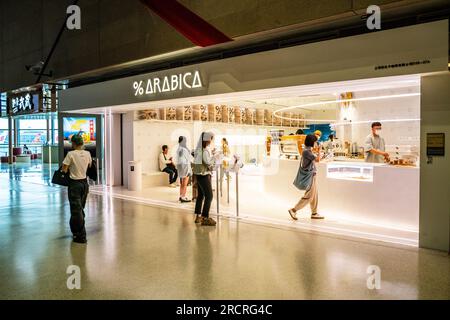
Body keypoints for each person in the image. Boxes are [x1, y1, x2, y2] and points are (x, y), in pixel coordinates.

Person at [62, 134, 92, 244]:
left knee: (76, 211)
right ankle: (76, 231)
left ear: (74, 143)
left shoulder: (71, 154)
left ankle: (81, 236)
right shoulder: (87, 153)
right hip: (85, 184)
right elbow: (89, 166)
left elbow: (64, 170)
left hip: (74, 184)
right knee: (79, 209)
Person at [288, 134, 324, 220]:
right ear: (312, 142)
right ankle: (294, 210)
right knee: (309, 196)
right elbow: (318, 159)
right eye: (315, 142)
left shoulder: (308, 151)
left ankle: (314, 213)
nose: (316, 143)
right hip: (310, 176)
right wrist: (319, 150)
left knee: (314, 195)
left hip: (312, 175)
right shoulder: (306, 152)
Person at [193, 132, 216, 226]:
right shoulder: (204, 150)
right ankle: (204, 217)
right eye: (210, 138)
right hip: (203, 175)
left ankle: (198, 216)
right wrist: (215, 157)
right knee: (209, 196)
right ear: (206, 139)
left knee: (200, 196)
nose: (211, 140)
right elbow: (208, 163)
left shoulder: (198, 149)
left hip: (198, 175)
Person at [175, 136, 193, 203]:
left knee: (182, 183)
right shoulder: (184, 149)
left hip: (180, 166)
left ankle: (181, 196)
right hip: (185, 166)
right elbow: (188, 159)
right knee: (185, 183)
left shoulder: (179, 148)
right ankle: (183, 197)